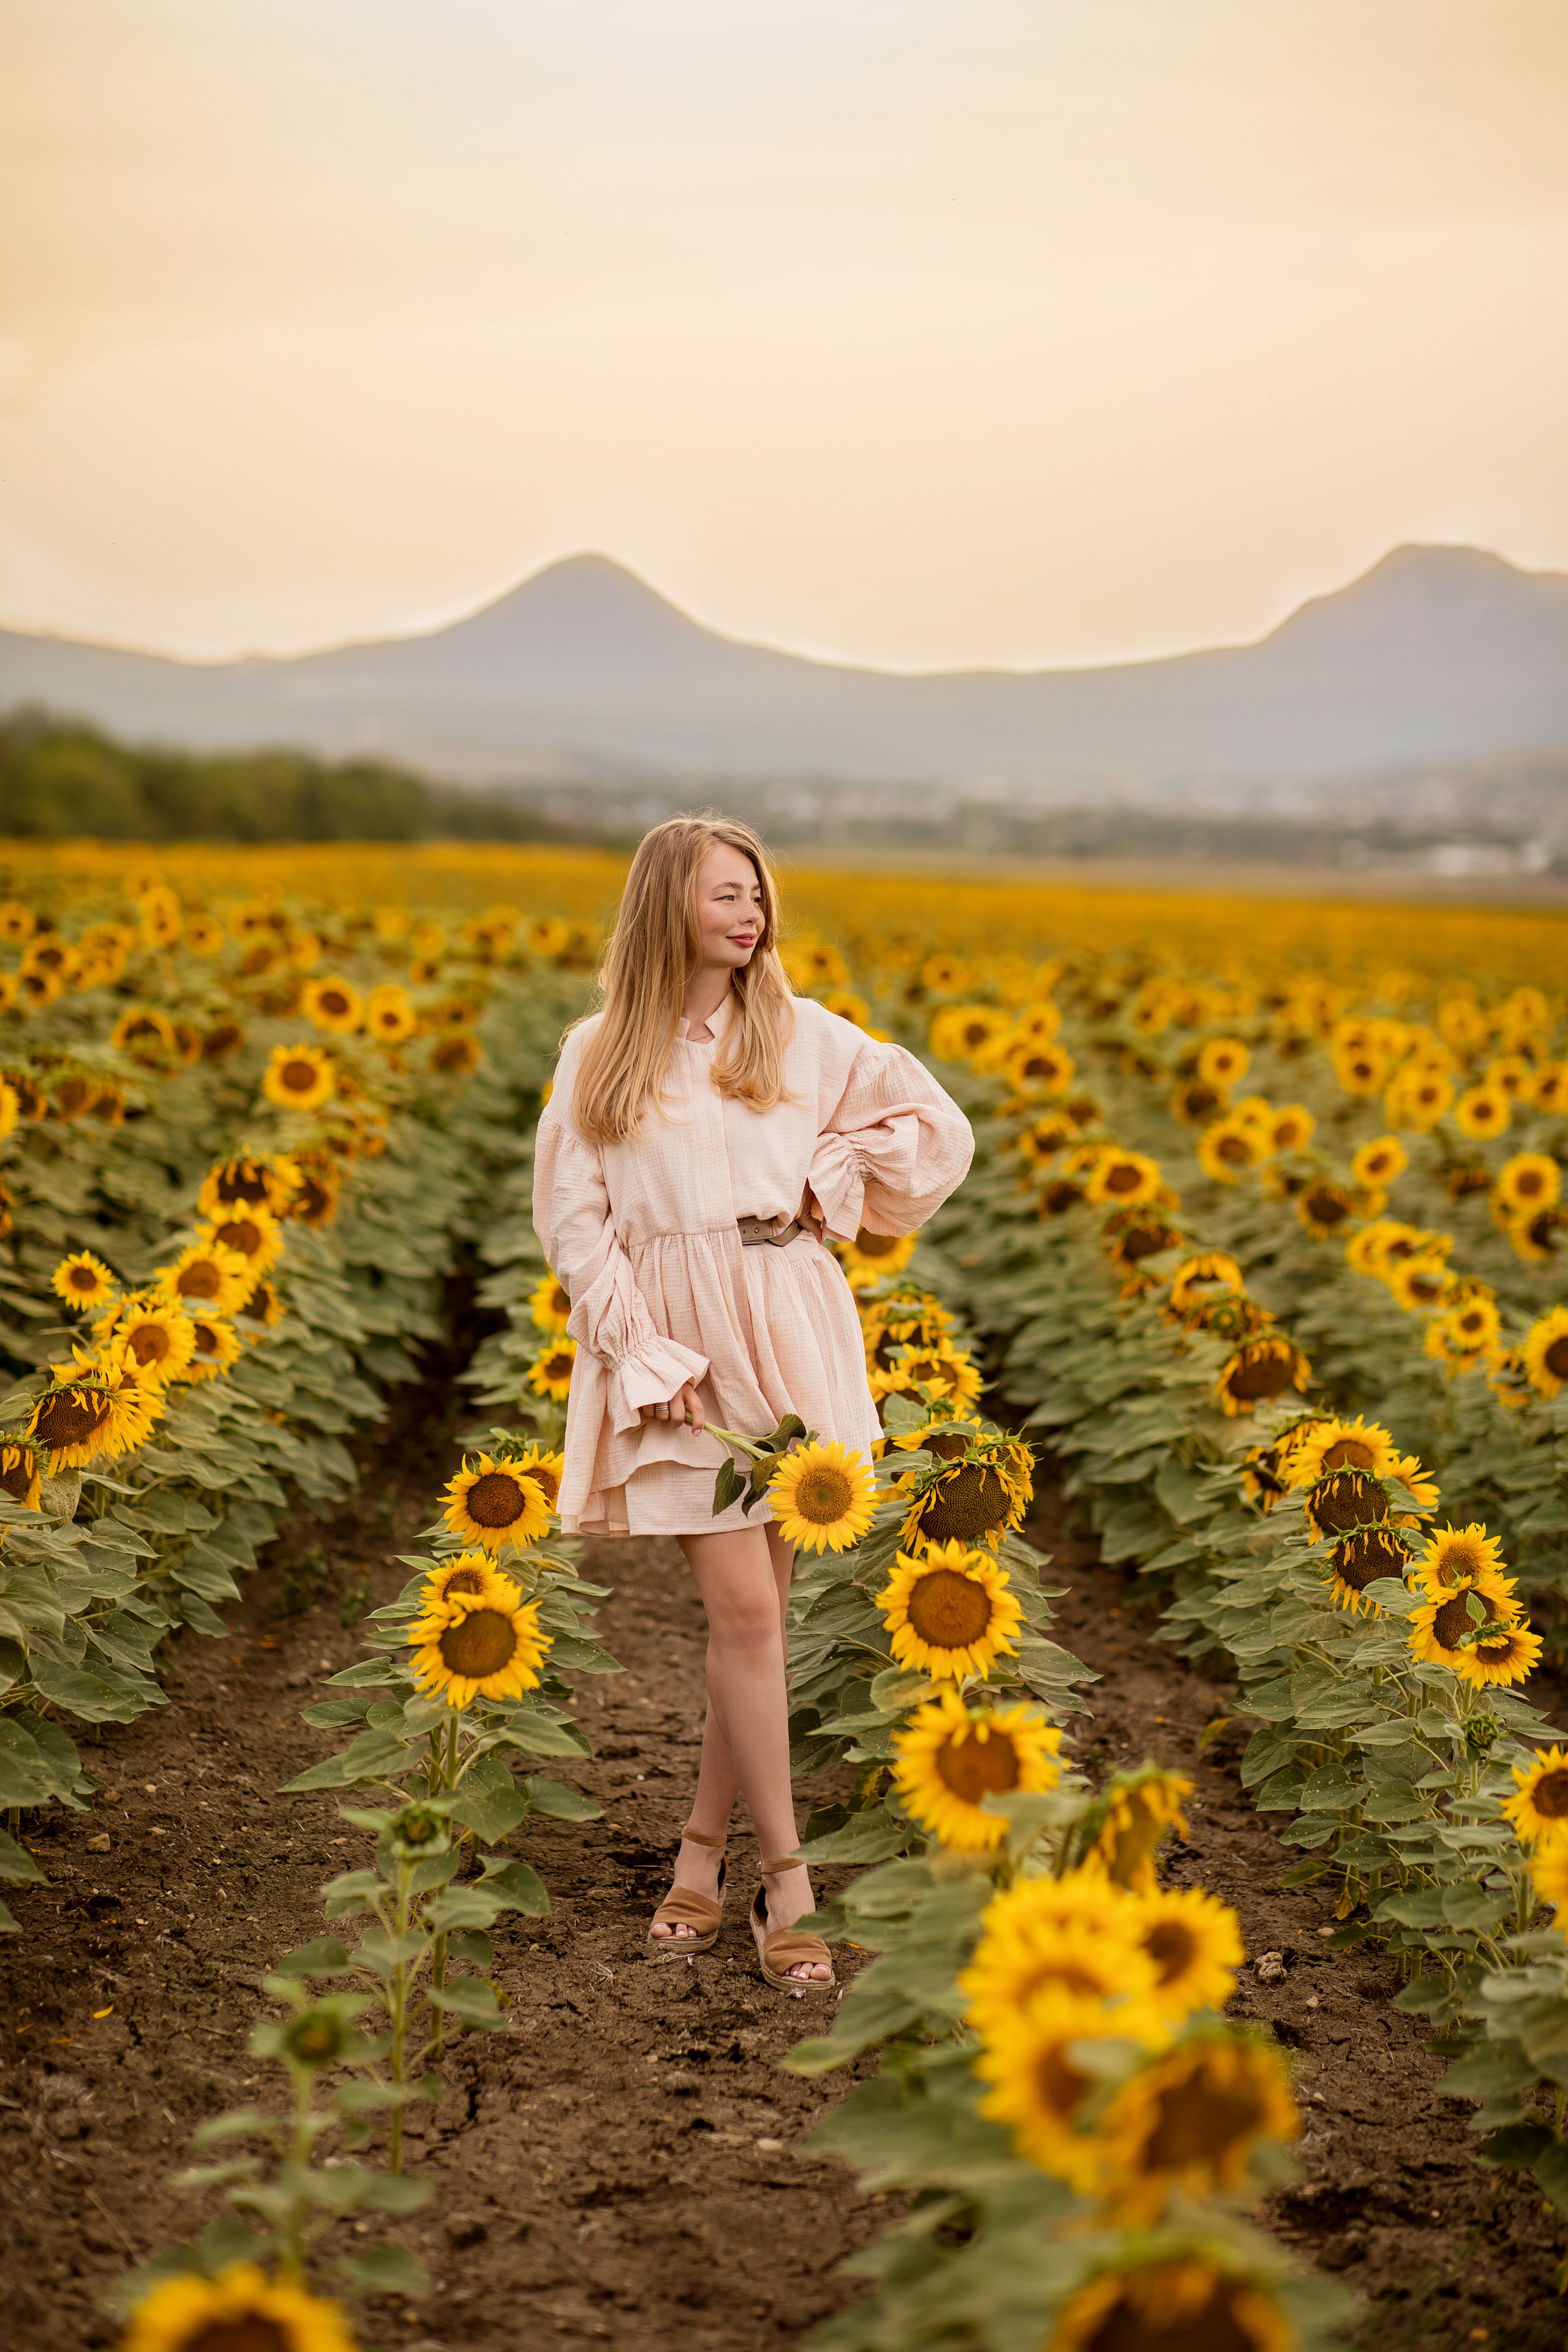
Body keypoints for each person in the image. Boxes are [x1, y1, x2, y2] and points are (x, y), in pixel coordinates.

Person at [532, 816, 973, 1991]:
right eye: (727, 894)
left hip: (788, 1320)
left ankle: (701, 1851)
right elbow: (575, 1222)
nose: (752, 914)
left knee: (758, 1623)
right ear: (666, 905)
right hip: (680, 1348)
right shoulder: (600, 1052)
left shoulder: (802, 1033)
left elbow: (935, 1127)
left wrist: (836, 1175)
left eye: (758, 895)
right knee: (744, 1613)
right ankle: (790, 1883)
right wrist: (641, 1351)